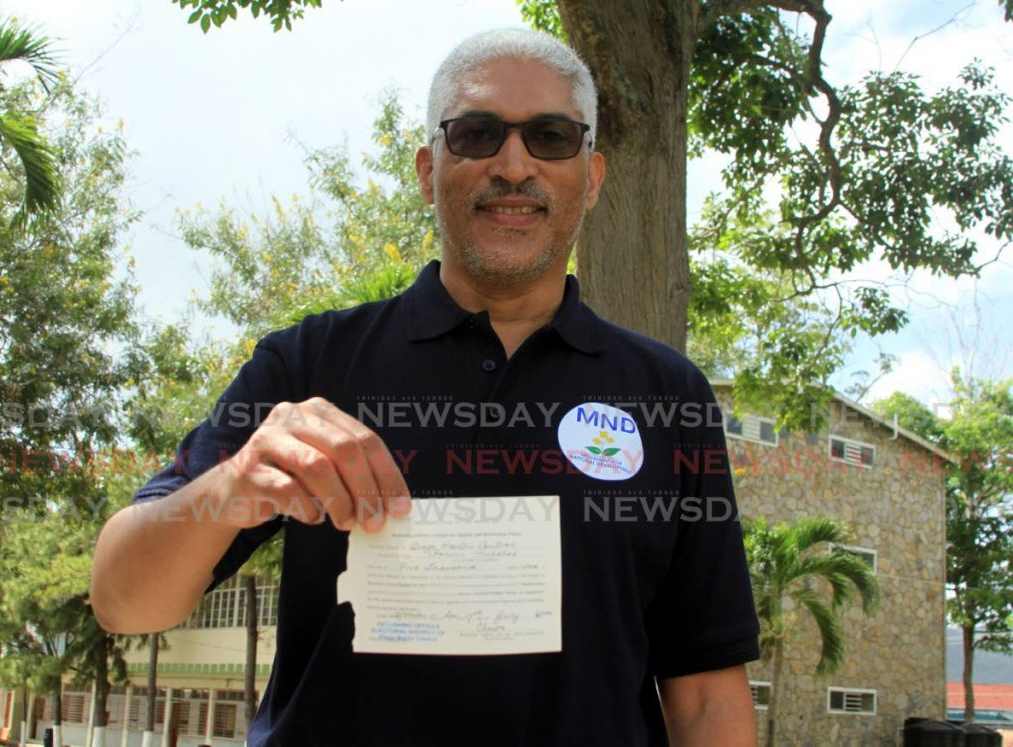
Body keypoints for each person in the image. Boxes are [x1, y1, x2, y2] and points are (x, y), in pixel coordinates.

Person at [91, 27, 760, 746]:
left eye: (550, 136)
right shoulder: (310, 363)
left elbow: (704, 695)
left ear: (592, 177)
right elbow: (123, 599)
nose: (512, 164)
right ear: (426, 169)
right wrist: (235, 483)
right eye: (476, 133)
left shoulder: (670, 396)